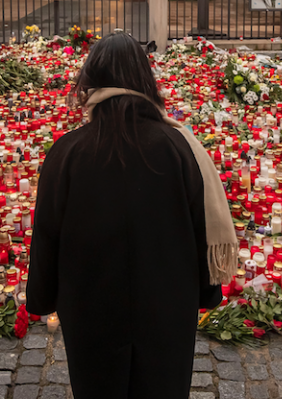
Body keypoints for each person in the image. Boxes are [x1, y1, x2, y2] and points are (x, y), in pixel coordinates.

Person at [26, 33, 236, 399]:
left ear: (89, 82)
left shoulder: (67, 153)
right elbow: (202, 225)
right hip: (167, 310)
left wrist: (42, 297)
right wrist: (205, 291)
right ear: (145, 81)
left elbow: (47, 233)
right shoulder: (179, 148)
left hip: (91, 310)